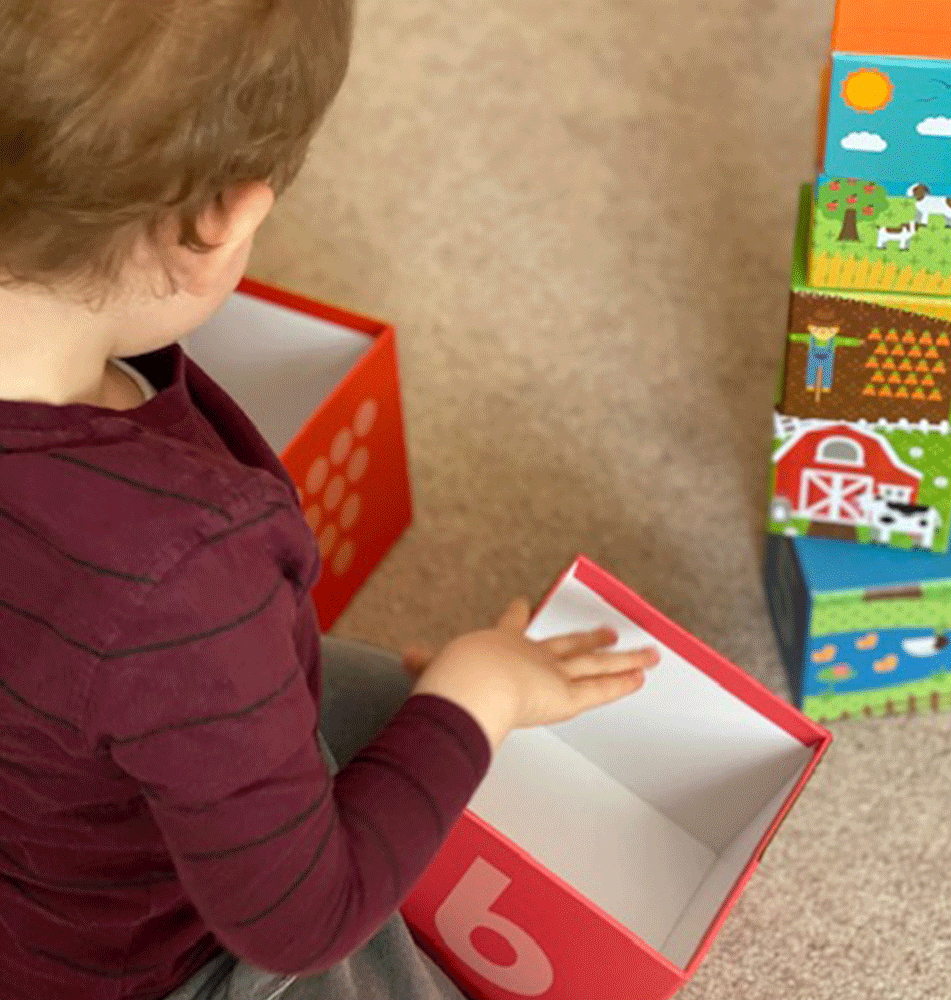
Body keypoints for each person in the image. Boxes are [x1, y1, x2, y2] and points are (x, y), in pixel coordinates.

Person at [0, 3, 660, 999]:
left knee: (378, 706)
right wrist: (478, 693)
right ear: (220, 222)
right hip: (121, 964)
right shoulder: (184, 567)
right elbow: (299, 918)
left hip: (53, 776)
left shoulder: (169, 585)